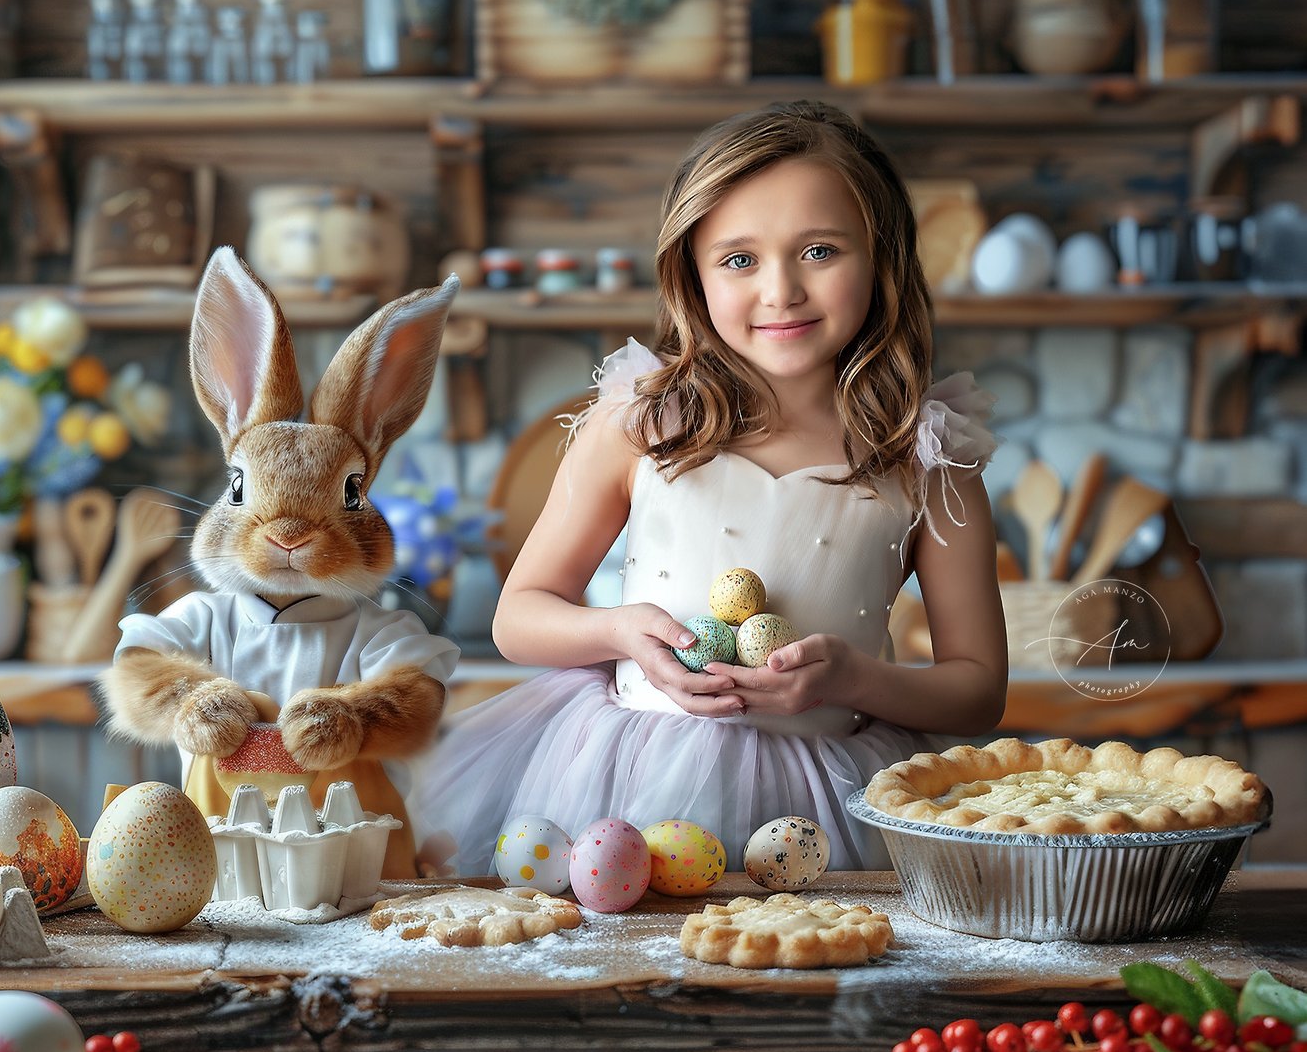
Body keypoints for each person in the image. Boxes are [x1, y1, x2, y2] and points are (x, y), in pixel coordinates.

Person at [410, 101, 1007, 874]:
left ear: (883, 257)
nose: (781, 290)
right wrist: (623, 632)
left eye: (820, 250)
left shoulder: (927, 454)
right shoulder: (639, 422)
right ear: (691, 272)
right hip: (625, 779)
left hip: (834, 794)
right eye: (739, 259)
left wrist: (859, 678)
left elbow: (978, 688)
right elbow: (519, 619)